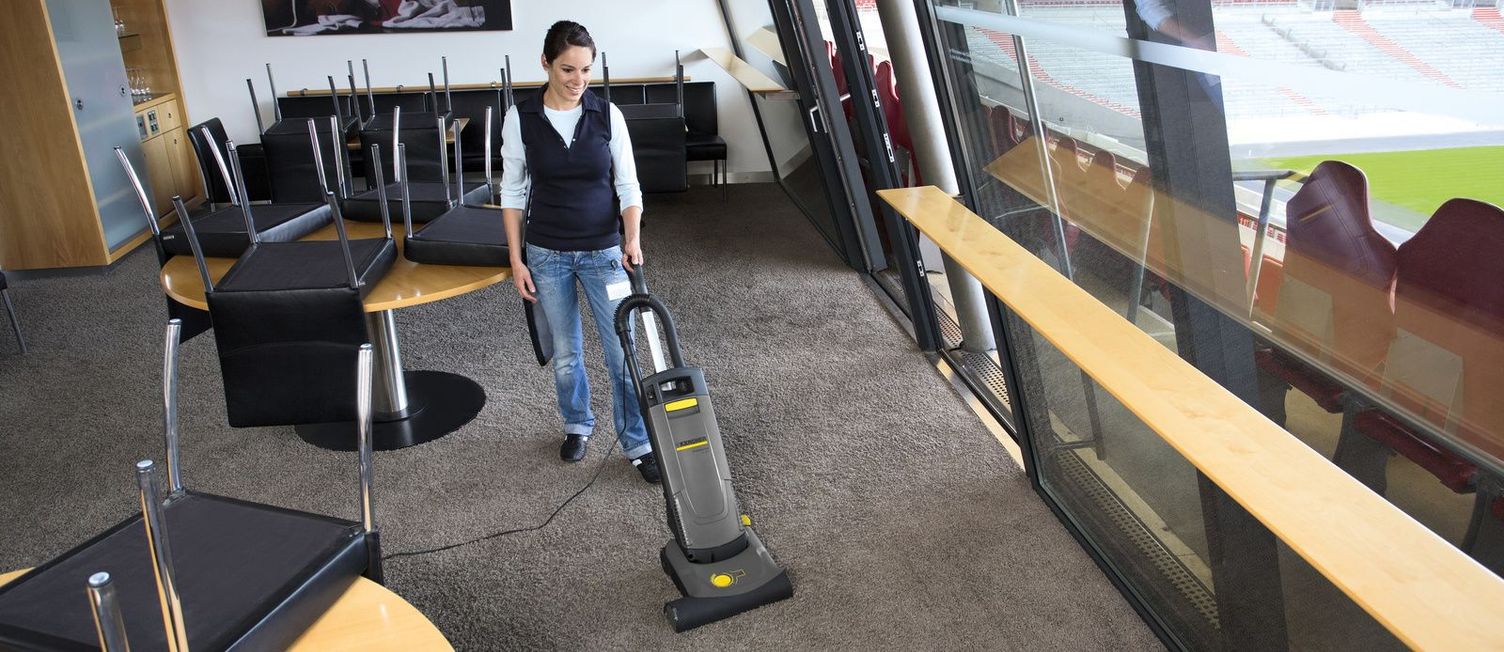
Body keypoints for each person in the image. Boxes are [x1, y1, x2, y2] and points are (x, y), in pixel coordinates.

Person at [500, 20, 659, 483]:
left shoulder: (607, 115)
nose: (578, 80)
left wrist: (631, 237)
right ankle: (577, 423)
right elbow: (512, 193)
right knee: (567, 352)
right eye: (568, 69)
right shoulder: (520, 117)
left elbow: (628, 185)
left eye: (586, 70)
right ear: (545, 63)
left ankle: (637, 441)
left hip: (604, 251)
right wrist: (516, 259)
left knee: (621, 350)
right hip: (546, 252)